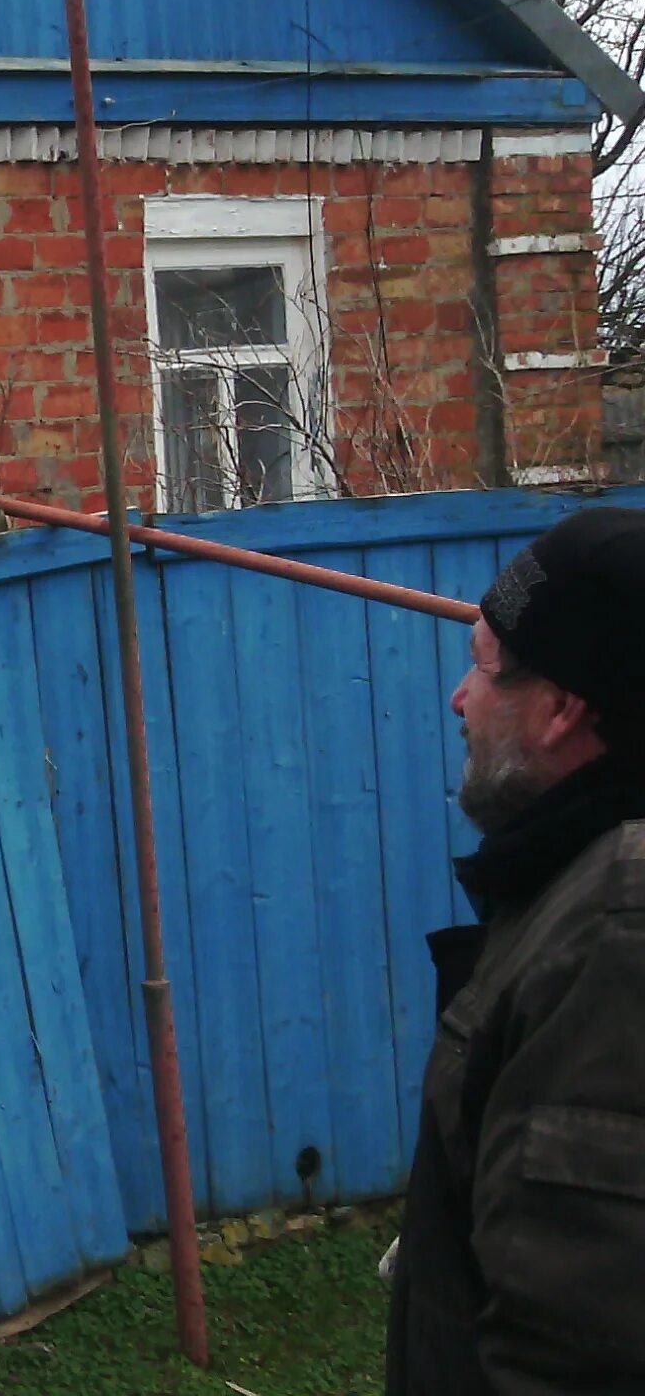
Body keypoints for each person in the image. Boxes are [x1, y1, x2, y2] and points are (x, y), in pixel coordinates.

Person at [385, 504, 645, 1395]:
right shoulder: (570, 883)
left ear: (566, 707)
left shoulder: (619, 933)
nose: (462, 697)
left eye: (487, 668)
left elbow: (578, 1348)